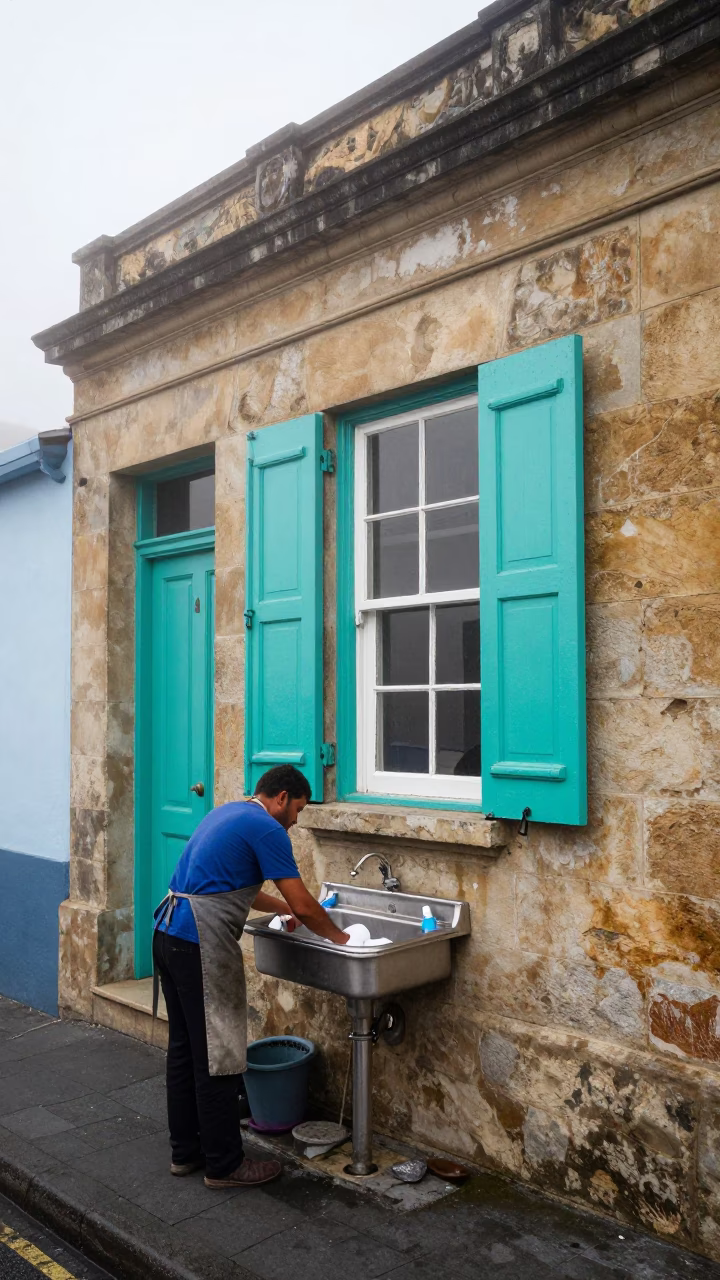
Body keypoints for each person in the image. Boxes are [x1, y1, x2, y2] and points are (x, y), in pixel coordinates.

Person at [152, 764, 350, 1189]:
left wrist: (280, 909)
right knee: (219, 1055)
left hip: (167, 933)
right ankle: (225, 1165)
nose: (296, 821)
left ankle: (185, 1153)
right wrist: (342, 938)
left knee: (185, 1051)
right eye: (296, 809)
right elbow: (307, 903)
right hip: (197, 943)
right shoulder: (268, 829)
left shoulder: (230, 812)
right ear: (280, 797)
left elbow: (228, 885)